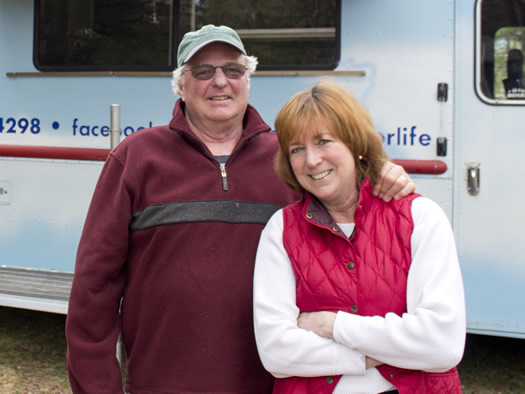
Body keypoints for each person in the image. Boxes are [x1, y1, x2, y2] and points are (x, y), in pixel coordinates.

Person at [65, 25, 415, 393]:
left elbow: (350, 216)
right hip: (162, 383)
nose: (220, 82)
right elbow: (94, 287)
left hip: (278, 383)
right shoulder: (137, 157)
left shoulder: (291, 159)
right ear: (180, 85)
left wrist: (380, 174)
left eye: (233, 69)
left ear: (247, 79)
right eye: (203, 71)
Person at [253, 81, 466, 393]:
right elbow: (277, 352)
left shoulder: (420, 217)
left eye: (324, 141)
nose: (312, 160)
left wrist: (333, 325)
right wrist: (383, 352)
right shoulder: (281, 230)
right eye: (297, 149)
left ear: (356, 144)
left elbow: (441, 345)